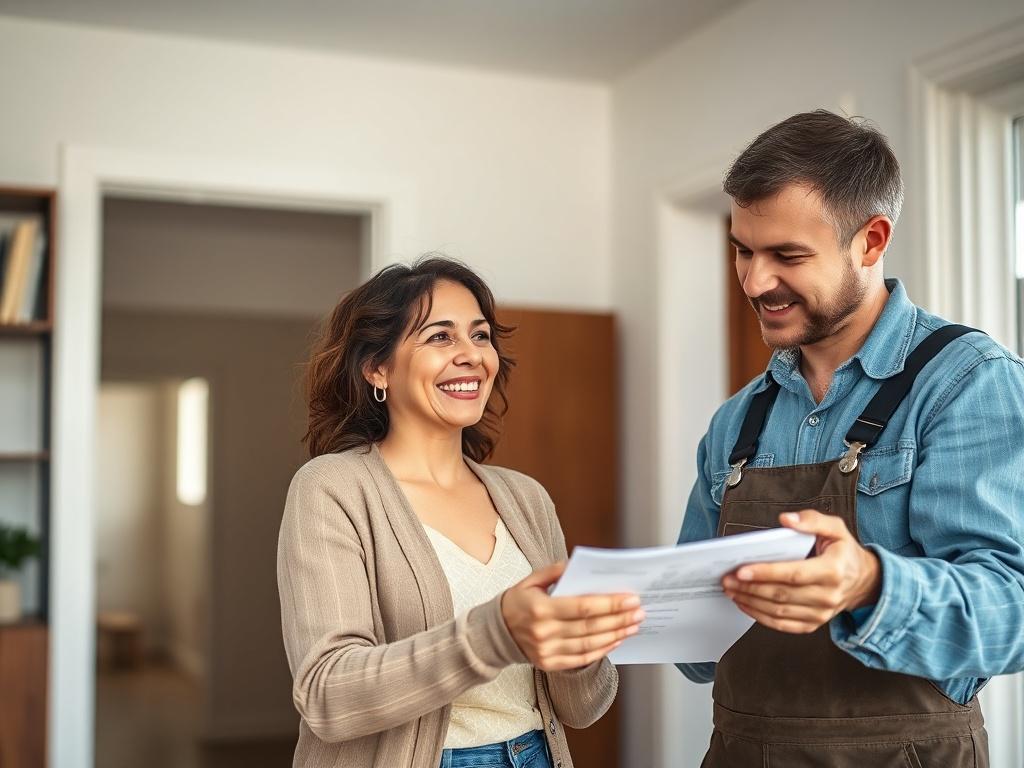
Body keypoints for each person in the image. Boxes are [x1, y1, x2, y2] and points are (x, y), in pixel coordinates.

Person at [677, 110, 1024, 766]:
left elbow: (1014, 609)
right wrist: (624, 615)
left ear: (870, 240)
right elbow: (697, 651)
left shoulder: (966, 384)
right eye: (744, 250)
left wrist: (869, 584)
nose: (754, 282)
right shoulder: (735, 422)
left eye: (787, 256)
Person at [278, 256, 642, 768]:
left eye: (481, 335)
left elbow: (582, 709)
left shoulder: (527, 497)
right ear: (377, 367)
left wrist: (579, 645)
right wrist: (495, 632)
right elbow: (327, 696)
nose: (471, 355)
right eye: (440, 337)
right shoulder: (332, 489)